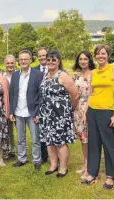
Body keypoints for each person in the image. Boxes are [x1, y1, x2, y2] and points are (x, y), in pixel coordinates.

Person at [82, 45, 114, 190]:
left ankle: (110, 176)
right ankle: (92, 173)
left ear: (108, 55)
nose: (101, 56)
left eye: (103, 54)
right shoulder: (93, 72)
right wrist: (85, 112)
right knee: (93, 143)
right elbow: (91, 94)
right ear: (95, 56)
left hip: (107, 112)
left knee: (108, 144)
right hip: (92, 111)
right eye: (98, 54)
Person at [38, 50, 79, 178]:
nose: (50, 62)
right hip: (46, 113)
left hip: (60, 114)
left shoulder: (63, 75)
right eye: (48, 60)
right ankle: (53, 165)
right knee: (49, 141)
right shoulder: (45, 75)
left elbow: (75, 94)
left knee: (60, 142)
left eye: (53, 60)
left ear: (58, 61)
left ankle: (63, 167)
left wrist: (69, 108)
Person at [10, 50, 43, 170]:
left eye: (26, 59)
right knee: (20, 138)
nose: (23, 61)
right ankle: (22, 158)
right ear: (19, 61)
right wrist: (11, 112)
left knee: (35, 138)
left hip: (32, 112)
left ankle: (37, 160)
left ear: (30, 60)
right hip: (18, 111)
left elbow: (41, 95)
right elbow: (12, 94)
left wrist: (38, 112)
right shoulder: (15, 75)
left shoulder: (38, 74)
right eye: (21, 59)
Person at [72, 50, 95, 179]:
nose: (83, 61)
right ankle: (84, 164)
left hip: (89, 108)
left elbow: (92, 95)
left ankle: (89, 167)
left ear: (90, 60)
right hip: (77, 110)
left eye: (85, 59)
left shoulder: (94, 75)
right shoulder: (76, 75)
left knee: (89, 139)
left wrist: (85, 112)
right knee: (83, 139)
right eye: (81, 59)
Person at [33, 47, 49, 163]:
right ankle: (44, 156)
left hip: (52, 104)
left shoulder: (55, 68)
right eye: (40, 56)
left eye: (44, 55)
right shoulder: (34, 71)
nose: (42, 58)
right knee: (41, 131)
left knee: (52, 130)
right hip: (40, 105)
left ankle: (57, 156)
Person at [3, 55, 17, 160]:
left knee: (20, 130)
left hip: (18, 107)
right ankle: (9, 151)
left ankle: (22, 151)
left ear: (15, 63)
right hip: (6, 107)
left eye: (12, 63)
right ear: (5, 64)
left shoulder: (20, 75)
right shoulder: (2, 76)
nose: (10, 65)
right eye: (8, 63)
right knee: (7, 130)